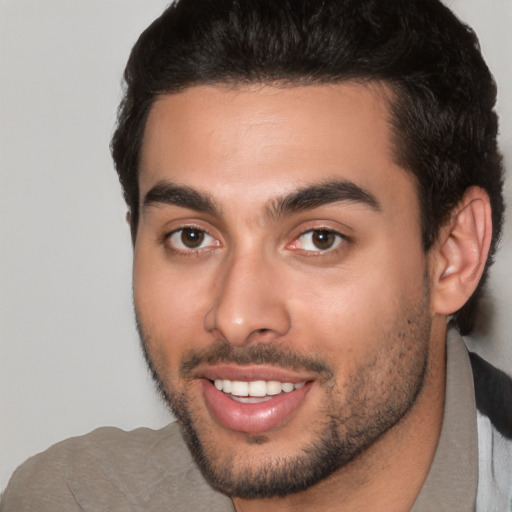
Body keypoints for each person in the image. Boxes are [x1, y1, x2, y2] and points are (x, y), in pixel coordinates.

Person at [2, 0, 510, 510]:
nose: (237, 317)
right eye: (192, 237)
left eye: (319, 239)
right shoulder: (73, 499)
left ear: (453, 254)